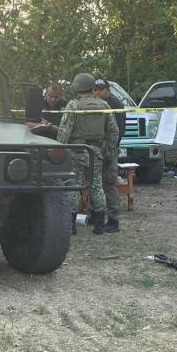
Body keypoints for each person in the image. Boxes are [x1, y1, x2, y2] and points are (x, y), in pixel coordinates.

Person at [54, 73, 119, 235]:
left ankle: (72, 227)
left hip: (75, 150)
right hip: (95, 151)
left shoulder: (73, 106)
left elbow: (64, 131)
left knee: (73, 185)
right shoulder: (104, 105)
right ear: (92, 86)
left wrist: (60, 149)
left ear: (76, 87)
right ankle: (99, 226)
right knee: (97, 186)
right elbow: (114, 131)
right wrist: (109, 150)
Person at [93, 78, 126, 233]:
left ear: (107, 89)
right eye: (95, 89)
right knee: (95, 184)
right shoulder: (95, 104)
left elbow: (118, 131)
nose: (98, 92)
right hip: (96, 149)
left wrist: (109, 149)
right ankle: (97, 214)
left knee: (109, 183)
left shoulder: (116, 105)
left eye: (101, 89)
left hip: (110, 150)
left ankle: (113, 220)